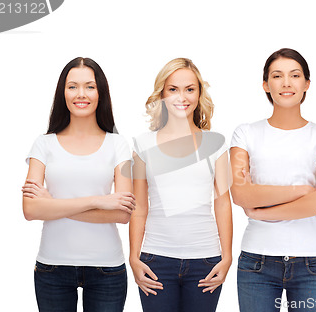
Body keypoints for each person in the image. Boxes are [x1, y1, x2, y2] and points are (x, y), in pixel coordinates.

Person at [230, 48, 316, 312]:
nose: (286, 83)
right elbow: (241, 195)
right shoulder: (245, 133)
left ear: (307, 84)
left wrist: (261, 211)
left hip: (311, 262)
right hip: (257, 261)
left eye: (295, 75)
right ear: (266, 85)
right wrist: (303, 191)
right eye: (277, 76)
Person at [22, 57, 134, 312]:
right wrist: (98, 201)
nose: (80, 94)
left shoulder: (118, 145)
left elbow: (122, 213)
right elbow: (30, 210)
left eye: (89, 86)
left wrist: (52, 204)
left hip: (106, 268)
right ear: (63, 92)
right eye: (72, 86)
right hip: (52, 268)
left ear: (100, 92)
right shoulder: (44, 144)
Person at [130, 58, 233, 312]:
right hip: (156, 260)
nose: (182, 97)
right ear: (162, 94)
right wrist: (134, 257)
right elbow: (139, 206)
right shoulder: (143, 145)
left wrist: (227, 257)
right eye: (173, 89)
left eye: (190, 89)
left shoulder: (216, 144)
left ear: (199, 93)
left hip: (206, 261)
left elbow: (222, 202)